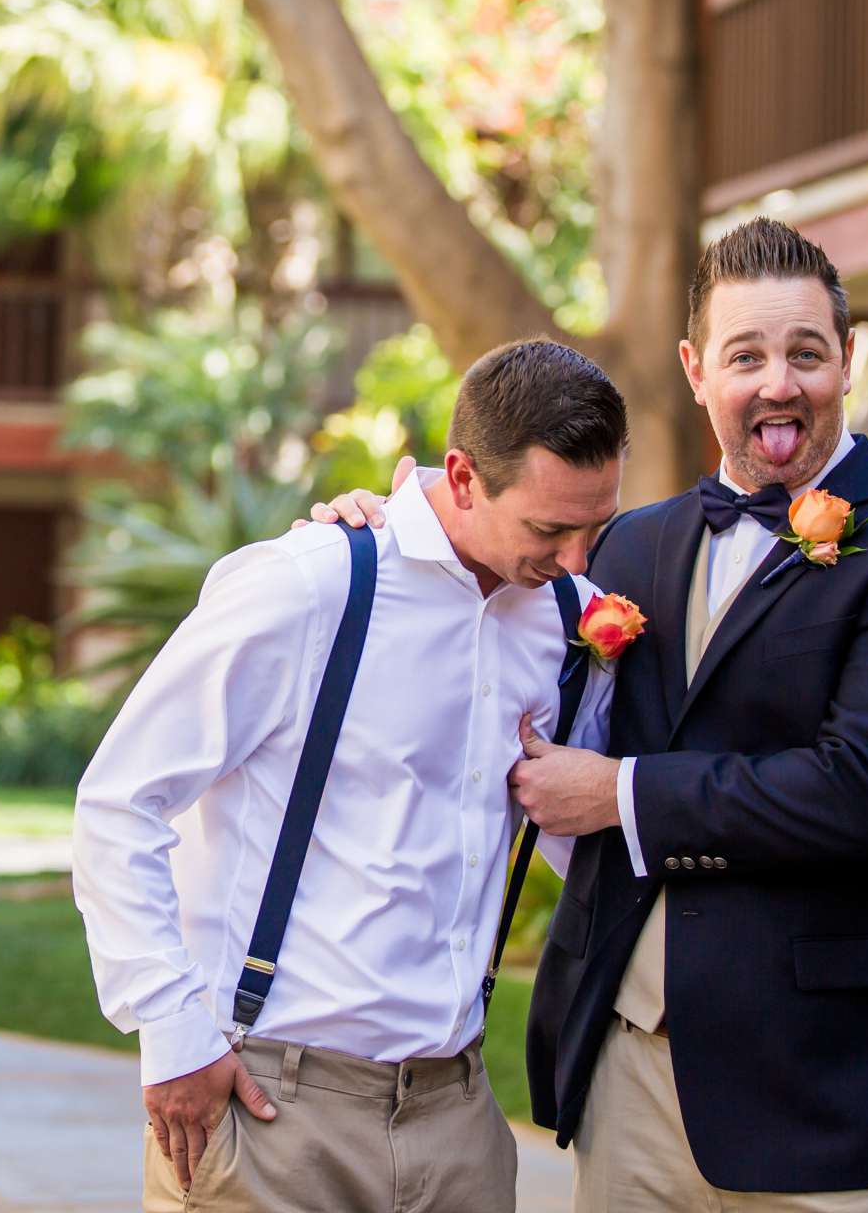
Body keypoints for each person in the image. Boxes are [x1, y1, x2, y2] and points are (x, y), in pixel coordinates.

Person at [314, 218, 868, 1210]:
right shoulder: (625, 549)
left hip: (830, 1084)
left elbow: (867, 794)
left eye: (807, 353)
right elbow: (492, 614)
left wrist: (619, 793)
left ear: (848, 359)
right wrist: (385, 529)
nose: (779, 382)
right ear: (694, 368)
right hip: (631, 1076)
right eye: (746, 354)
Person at [73, 339, 635, 1213]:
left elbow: (577, 843)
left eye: (594, 528)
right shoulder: (310, 585)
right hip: (273, 1116)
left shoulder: (561, 621)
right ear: (461, 475)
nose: (574, 559)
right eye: (548, 529)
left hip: (459, 1121)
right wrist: (173, 1034)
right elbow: (121, 801)